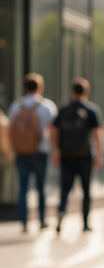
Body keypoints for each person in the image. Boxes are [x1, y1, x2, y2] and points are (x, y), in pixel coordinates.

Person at [50, 78, 104, 233]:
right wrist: (99, 155)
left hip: (66, 156)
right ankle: (85, 223)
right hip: (85, 156)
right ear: (86, 92)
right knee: (86, 190)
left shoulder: (64, 110)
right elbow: (97, 134)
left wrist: (56, 150)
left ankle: (60, 217)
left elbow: (53, 130)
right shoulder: (91, 110)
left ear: (72, 92)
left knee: (65, 189)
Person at [7, 73, 57, 232]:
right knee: (41, 187)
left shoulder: (16, 106)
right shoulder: (47, 106)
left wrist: (11, 150)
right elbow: (53, 131)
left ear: (24, 88)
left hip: (21, 152)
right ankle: (41, 221)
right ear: (40, 88)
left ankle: (24, 222)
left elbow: (10, 130)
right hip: (41, 151)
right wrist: (55, 150)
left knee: (23, 188)